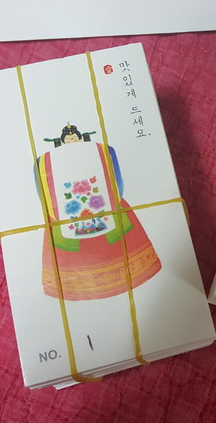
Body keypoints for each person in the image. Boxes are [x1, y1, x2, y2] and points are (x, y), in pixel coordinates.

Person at [37, 124, 161, 300]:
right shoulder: (43, 162)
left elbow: (117, 180)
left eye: (74, 138)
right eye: (68, 140)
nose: (72, 141)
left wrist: (112, 201)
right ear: (61, 143)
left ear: (82, 138)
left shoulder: (103, 150)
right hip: (64, 212)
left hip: (106, 203)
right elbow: (42, 192)